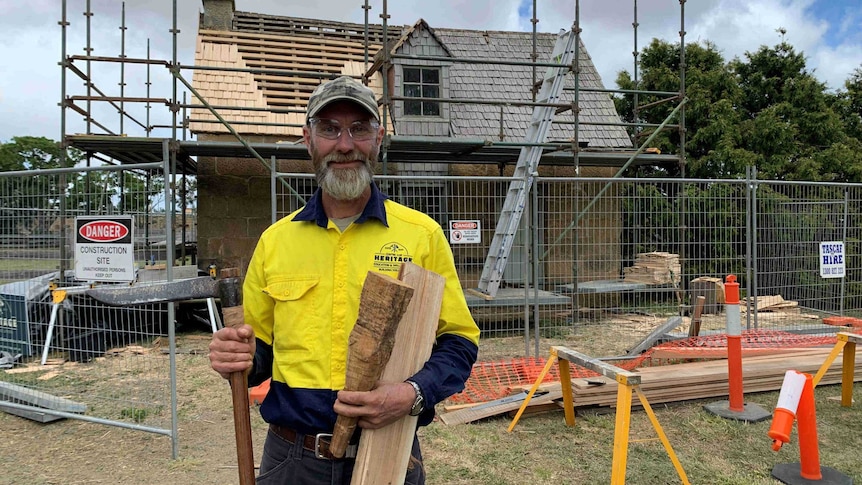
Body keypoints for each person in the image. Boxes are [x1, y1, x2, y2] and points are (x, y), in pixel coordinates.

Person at [208, 75, 480, 484]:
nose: (345, 144)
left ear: (379, 139)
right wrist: (237, 357)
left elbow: (459, 341)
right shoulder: (275, 242)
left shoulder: (421, 236)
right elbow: (258, 356)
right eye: (330, 129)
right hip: (292, 462)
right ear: (308, 140)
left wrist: (411, 394)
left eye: (359, 128)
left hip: (389, 453)